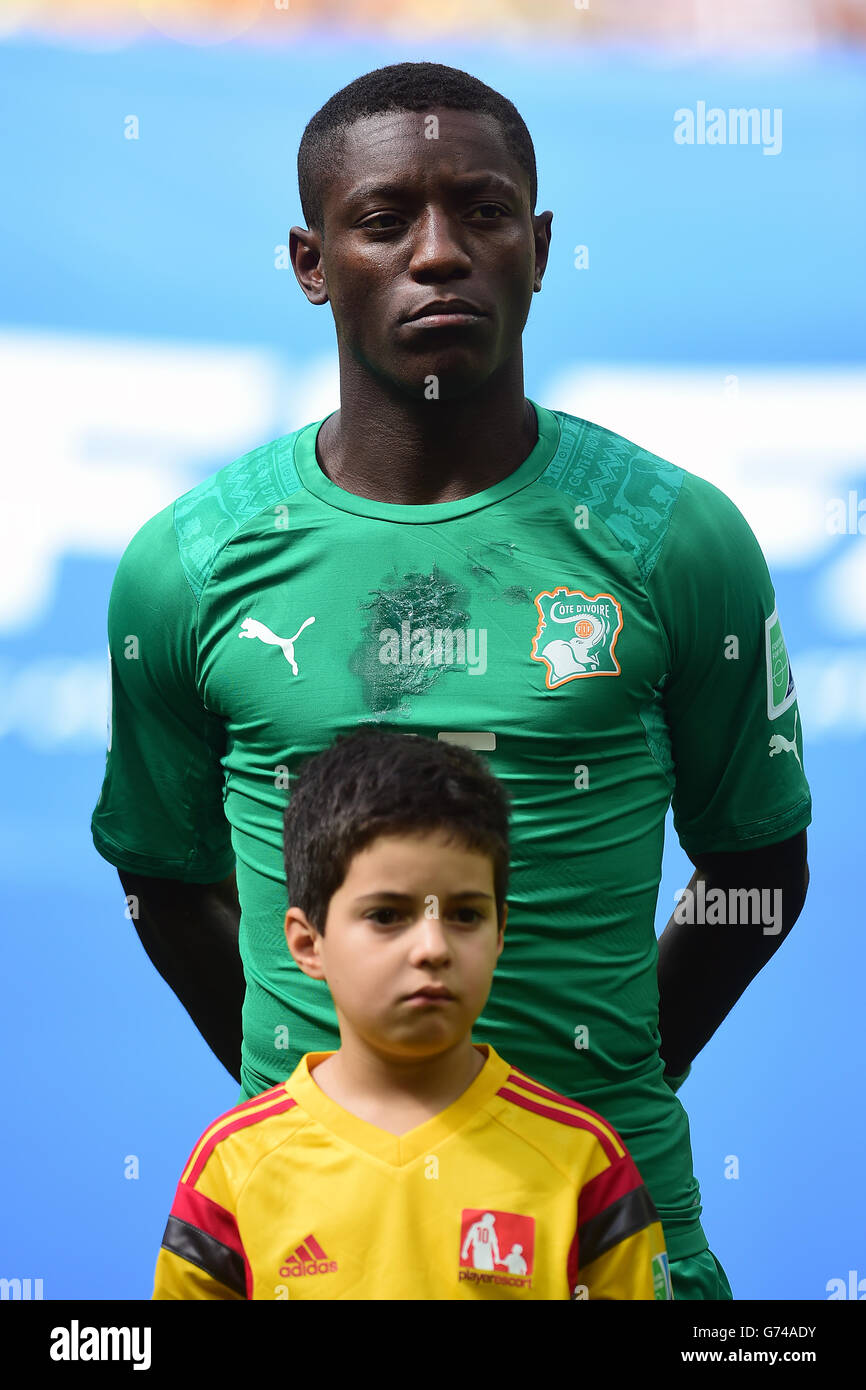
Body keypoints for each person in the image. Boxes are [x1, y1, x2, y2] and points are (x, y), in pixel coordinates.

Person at [92, 61, 811, 1301]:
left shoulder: (673, 538)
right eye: (383, 221)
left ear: (536, 249)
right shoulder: (188, 566)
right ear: (312, 262)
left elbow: (758, 869)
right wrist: (308, 1106)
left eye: (481, 213)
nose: (439, 254)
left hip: (606, 1239)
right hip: (307, 1251)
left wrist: (584, 1090)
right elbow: (161, 877)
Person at [152, 730, 671, 1300]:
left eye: (465, 915)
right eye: (387, 915)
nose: (432, 947)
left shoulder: (583, 1161)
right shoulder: (232, 1167)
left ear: (501, 933)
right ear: (308, 944)